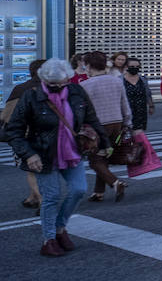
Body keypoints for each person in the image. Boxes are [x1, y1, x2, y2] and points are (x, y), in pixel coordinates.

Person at [3, 57, 110, 257]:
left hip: (72, 151)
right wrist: (29, 154)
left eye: (59, 84)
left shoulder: (77, 92)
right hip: (43, 153)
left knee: (79, 189)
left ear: (67, 80)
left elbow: (91, 118)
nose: (55, 87)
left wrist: (104, 144)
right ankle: (49, 239)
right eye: (50, 84)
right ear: (44, 79)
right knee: (51, 197)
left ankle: (60, 228)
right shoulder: (31, 96)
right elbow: (14, 130)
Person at [80, 52, 134, 203]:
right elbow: (125, 103)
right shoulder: (116, 81)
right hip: (117, 123)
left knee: (95, 160)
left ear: (89, 66)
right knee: (104, 158)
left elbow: (82, 109)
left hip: (97, 125)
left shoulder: (84, 85)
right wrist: (128, 122)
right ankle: (98, 192)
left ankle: (116, 183)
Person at [3, 58, 46, 210]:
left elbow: (8, 115)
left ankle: (41, 200)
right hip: (48, 135)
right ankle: (32, 197)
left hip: (25, 135)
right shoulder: (53, 87)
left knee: (31, 168)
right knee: (41, 166)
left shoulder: (21, 89)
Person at [121, 56, 154, 133]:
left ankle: (139, 144)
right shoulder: (120, 79)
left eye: (137, 66)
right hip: (126, 111)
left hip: (141, 111)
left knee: (139, 133)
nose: (135, 68)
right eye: (132, 66)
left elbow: (147, 93)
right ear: (126, 67)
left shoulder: (143, 79)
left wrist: (151, 106)